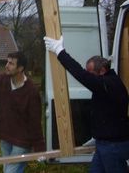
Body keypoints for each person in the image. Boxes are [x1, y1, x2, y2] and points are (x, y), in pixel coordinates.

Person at [44, 35, 129, 173]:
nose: (88, 76)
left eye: (91, 73)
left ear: (102, 71)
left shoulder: (109, 84)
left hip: (113, 146)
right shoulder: (106, 84)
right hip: (105, 144)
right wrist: (97, 135)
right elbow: (105, 113)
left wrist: (60, 51)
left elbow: (80, 75)